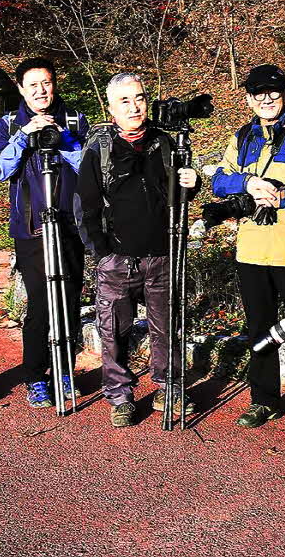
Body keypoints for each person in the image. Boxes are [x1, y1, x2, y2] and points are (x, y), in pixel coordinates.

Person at [210, 64, 285, 435]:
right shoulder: (242, 137)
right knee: (258, 329)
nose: (266, 100)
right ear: (249, 99)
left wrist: (282, 197)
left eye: (273, 93)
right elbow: (218, 181)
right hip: (251, 251)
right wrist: (248, 183)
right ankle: (263, 399)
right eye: (258, 94)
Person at [75, 73, 199, 427]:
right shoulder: (100, 150)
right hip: (118, 260)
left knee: (166, 327)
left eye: (140, 98)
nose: (134, 107)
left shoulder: (165, 144)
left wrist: (193, 183)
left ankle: (169, 387)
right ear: (111, 109)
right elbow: (85, 207)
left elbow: (179, 196)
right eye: (125, 101)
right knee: (114, 331)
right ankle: (120, 395)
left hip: (162, 254)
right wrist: (102, 253)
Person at [0, 58, 89, 408]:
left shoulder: (74, 120)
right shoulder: (7, 124)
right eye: (32, 85)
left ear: (54, 83)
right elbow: (0, 170)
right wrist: (25, 135)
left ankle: (65, 370)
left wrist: (62, 138)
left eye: (46, 83)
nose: (41, 90)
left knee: (70, 299)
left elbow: (89, 168)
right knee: (40, 304)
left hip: (69, 224)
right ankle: (35, 376)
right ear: (20, 89)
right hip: (30, 227)